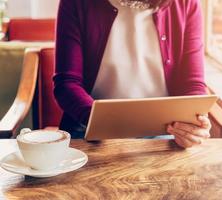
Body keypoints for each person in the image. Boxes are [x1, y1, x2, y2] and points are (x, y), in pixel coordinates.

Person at [54, 0, 211, 148]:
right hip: (88, 128)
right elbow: (67, 83)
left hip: (163, 131)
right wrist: (99, 121)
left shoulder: (186, 3)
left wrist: (192, 124)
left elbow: (193, 84)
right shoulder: (76, 2)